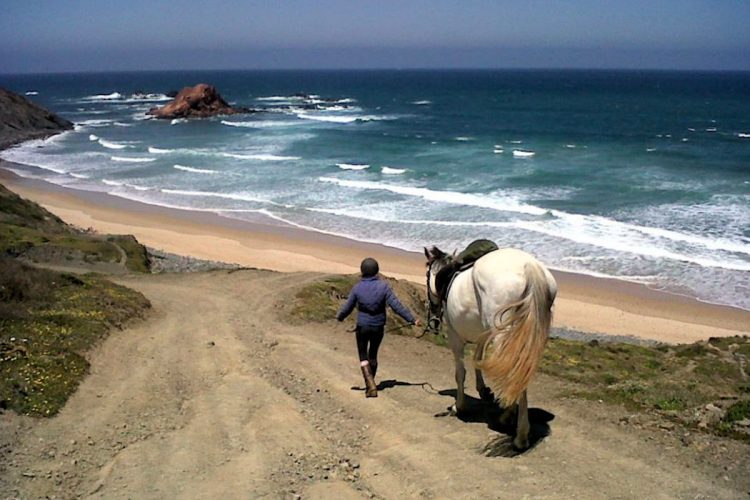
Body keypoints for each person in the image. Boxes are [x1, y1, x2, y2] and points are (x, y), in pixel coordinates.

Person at [336, 257, 421, 398]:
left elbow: (348, 307)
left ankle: (370, 385)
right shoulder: (384, 287)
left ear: (362, 271)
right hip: (378, 327)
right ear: (377, 271)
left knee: (363, 356)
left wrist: (340, 317)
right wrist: (412, 319)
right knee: (373, 355)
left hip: (362, 327)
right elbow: (396, 306)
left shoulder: (357, 288)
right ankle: (372, 382)